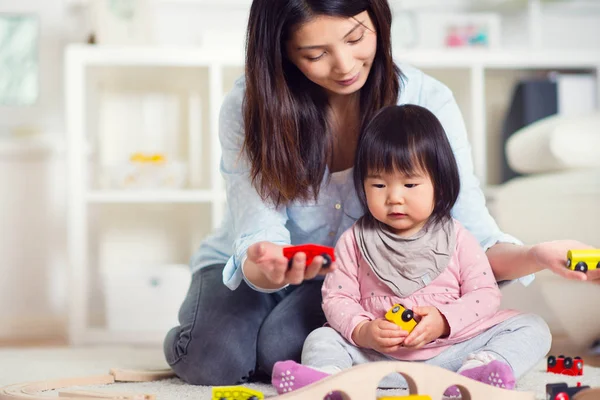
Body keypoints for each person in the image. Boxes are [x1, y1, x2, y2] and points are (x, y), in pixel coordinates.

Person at [163, 0, 596, 386]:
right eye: (315, 54)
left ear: (377, 17)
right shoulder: (249, 106)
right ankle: (217, 335)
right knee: (214, 360)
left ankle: (266, 345)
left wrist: (539, 254)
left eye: (355, 37)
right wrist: (266, 264)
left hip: (352, 281)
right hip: (252, 265)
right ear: (281, 54)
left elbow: (471, 234)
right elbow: (257, 230)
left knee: (284, 347)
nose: (345, 64)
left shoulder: (426, 99)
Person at [271, 104, 552, 397]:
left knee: (532, 326)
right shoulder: (354, 240)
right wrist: (364, 331)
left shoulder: (456, 236)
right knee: (321, 337)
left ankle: (477, 374)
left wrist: (444, 321)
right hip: (373, 358)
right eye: (378, 184)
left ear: (439, 186)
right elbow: (337, 298)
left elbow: (485, 293)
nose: (394, 198)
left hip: (451, 354)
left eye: (410, 184)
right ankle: (328, 380)